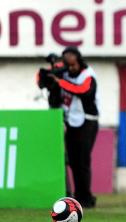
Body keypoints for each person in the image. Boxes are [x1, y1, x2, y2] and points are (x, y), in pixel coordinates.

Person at [48, 47, 99, 208]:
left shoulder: (88, 75)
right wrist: (52, 77)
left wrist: (61, 82)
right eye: (67, 63)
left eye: (73, 63)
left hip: (87, 121)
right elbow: (44, 81)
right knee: (73, 161)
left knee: (82, 160)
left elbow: (83, 91)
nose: (70, 68)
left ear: (79, 60)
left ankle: (86, 197)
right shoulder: (64, 74)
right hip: (70, 121)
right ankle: (77, 196)